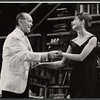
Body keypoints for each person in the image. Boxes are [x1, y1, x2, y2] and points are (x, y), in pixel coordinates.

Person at [0, 12, 60, 98]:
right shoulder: (14, 37)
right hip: (12, 87)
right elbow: (26, 55)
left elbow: (30, 58)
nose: (31, 24)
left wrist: (42, 64)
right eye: (29, 21)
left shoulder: (24, 38)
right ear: (20, 21)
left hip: (21, 85)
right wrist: (47, 55)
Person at [45, 12, 100, 98]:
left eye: (75, 19)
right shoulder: (72, 42)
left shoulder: (92, 39)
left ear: (82, 22)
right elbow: (62, 63)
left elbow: (81, 57)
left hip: (89, 75)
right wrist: (43, 64)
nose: (72, 22)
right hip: (76, 75)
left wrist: (62, 53)